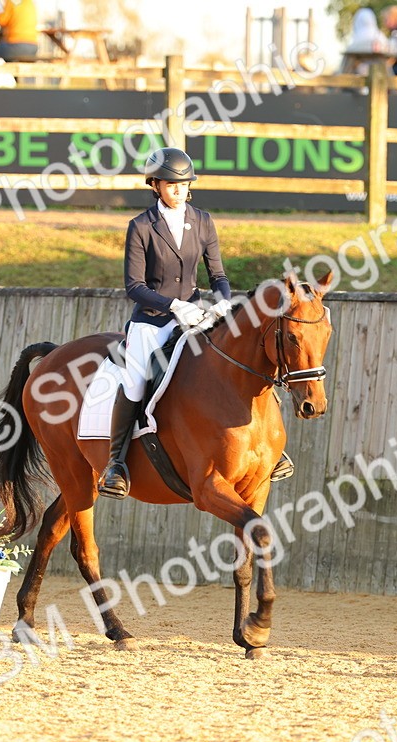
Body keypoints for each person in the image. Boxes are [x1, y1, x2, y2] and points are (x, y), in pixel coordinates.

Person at [98, 148, 240, 499]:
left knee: (230, 363)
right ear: (156, 185)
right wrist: (174, 304)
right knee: (134, 382)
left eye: (184, 184)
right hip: (153, 321)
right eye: (171, 184)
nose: (178, 190)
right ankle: (115, 464)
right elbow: (134, 287)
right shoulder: (142, 227)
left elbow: (217, 273)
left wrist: (222, 299)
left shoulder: (203, 220)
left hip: (195, 317)